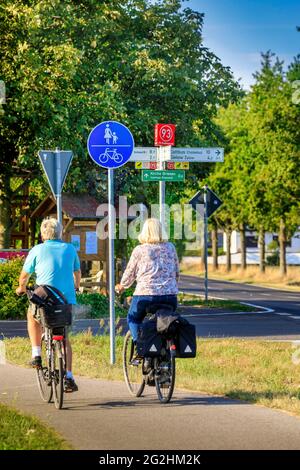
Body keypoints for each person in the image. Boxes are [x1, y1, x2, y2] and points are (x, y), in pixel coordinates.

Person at [16, 217, 81, 392]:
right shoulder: (70, 249)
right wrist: (76, 286)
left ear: (43, 234)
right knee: (65, 337)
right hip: (65, 302)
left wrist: (21, 288)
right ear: (60, 233)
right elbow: (77, 272)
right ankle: (68, 377)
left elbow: (24, 276)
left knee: (32, 316)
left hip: (44, 301)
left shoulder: (37, 250)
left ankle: (36, 354)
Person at [115, 218, 179, 346]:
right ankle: (164, 353)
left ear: (145, 232)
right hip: (170, 296)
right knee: (166, 322)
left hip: (146, 295)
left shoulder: (140, 250)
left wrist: (122, 286)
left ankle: (139, 345)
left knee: (133, 318)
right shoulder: (170, 247)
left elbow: (130, 272)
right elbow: (176, 272)